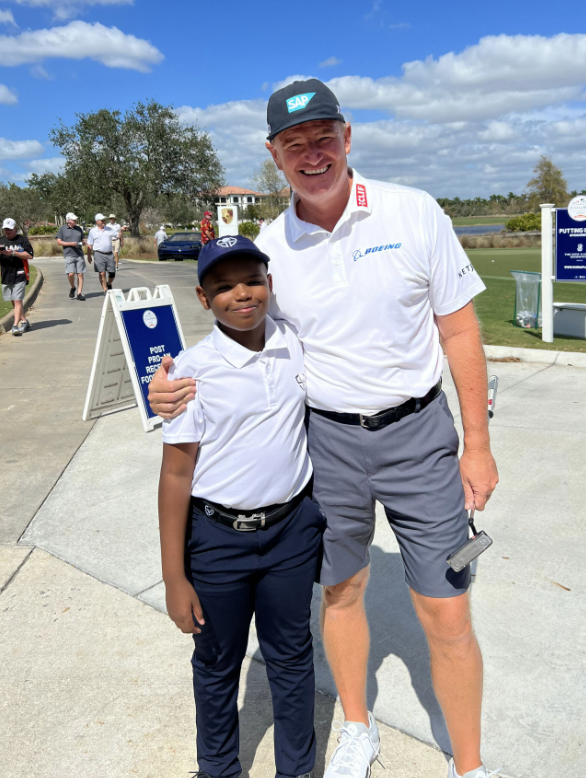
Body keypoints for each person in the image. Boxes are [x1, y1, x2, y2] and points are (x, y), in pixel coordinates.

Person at [149, 79, 499, 778]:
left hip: (419, 437)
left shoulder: (413, 211)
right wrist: (169, 381)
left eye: (323, 137)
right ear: (274, 156)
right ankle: (359, 728)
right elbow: (245, 328)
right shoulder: (274, 244)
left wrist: (478, 444)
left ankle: (469, 765)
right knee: (342, 593)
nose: (312, 154)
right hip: (329, 443)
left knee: (446, 610)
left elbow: (458, 328)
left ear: (347, 136)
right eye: (294, 144)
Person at [159, 234, 324, 778]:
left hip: (290, 533)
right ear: (205, 300)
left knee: (292, 658)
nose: (242, 295)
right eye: (224, 287)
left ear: (269, 285)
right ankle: (218, 769)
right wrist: (174, 577)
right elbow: (177, 473)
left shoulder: (296, 342)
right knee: (216, 664)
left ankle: (296, 770)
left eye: (252, 281)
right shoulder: (192, 371)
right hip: (218, 541)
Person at [0, 218, 34, 336]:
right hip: (5, 275)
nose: (7, 231)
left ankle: (15, 326)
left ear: (15, 229)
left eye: (9, 229)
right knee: (13, 300)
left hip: (19, 274)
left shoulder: (22, 240)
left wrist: (13, 253)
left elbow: (29, 255)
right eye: (5, 229)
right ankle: (24, 321)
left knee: (18, 300)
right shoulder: (0, 240)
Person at [56, 212, 86, 301]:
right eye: (73, 219)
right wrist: (70, 244)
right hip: (69, 254)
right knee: (71, 274)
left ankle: (79, 293)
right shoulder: (62, 229)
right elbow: (59, 242)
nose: (75, 221)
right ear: (68, 220)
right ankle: (73, 287)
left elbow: (82, 239)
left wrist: (83, 242)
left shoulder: (79, 229)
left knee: (80, 274)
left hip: (79, 254)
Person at [87, 213, 118, 293]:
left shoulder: (109, 229)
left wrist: (121, 230)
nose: (104, 221)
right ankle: (105, 290)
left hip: (109, 254)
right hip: (98, 253)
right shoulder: (93, 231)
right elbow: (89, 244)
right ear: (97, 221)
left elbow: (117, 236)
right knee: (102, 273)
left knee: (112, 273)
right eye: (102, 220)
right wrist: (89, 255)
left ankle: (109, 283)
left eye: (104, 220)